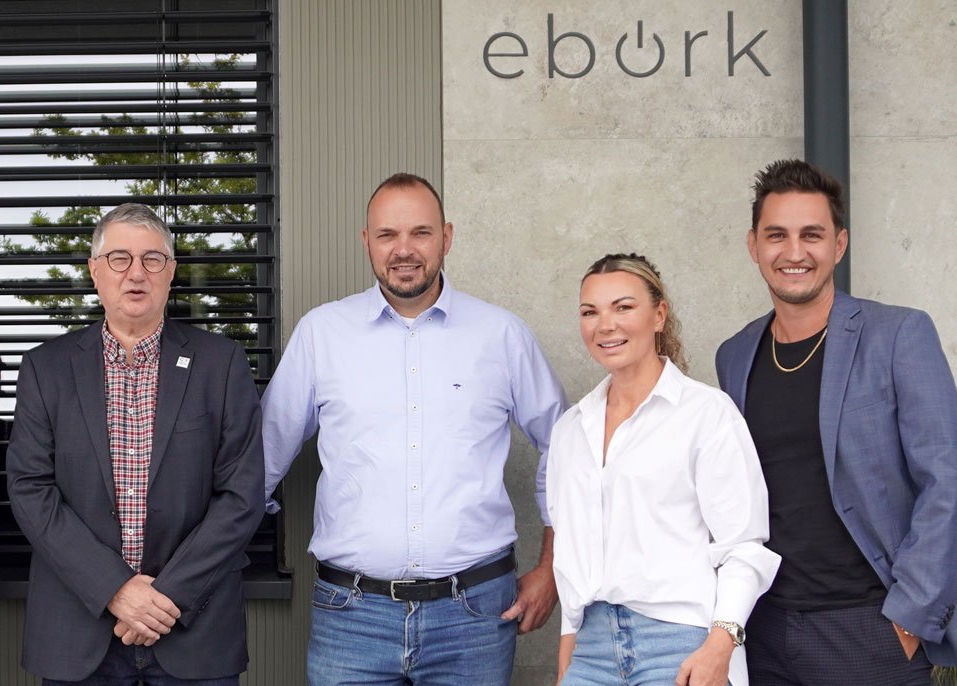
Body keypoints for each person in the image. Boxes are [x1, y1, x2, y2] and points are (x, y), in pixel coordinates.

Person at [262, 173, 567, 685]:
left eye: (420, 233)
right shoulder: (322, 334)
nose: (404, 250)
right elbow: (261, 459)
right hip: (351, 617)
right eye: (387, 235)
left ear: (446, 237)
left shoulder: (502, 335)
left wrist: (552, 568)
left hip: (474, 616)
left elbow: (567, 451)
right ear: (366, 242)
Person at [715, 159, 957, 685]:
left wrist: (911, 616)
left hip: (870, 628)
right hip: (766, 630)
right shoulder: (735, 355)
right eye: (776, 235)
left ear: (839, 245)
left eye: (812, 235)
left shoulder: (899, 335)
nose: (794, 251)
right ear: (753, 245)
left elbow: (948, 480)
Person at [6, 202, 265, 684]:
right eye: (119, 258)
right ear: (94, 272)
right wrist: (116, 589)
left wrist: (165, 597)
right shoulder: (47, 368)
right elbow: (30, 490)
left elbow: (242, 495)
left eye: (152, 259)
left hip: (194, 629)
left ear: (171, 273)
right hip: (78, 634)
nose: (135, 273)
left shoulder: (221, 364)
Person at [549, 254, 779, 686]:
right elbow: (571, 552)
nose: (605, 325)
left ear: (659, 314)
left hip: (680, 649)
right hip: (592, 650)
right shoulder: (570, 430)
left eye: (623, 307)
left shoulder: (706, 414)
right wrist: (568, 653)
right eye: (590, 312)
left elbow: (743, 546)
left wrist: (720, 647)